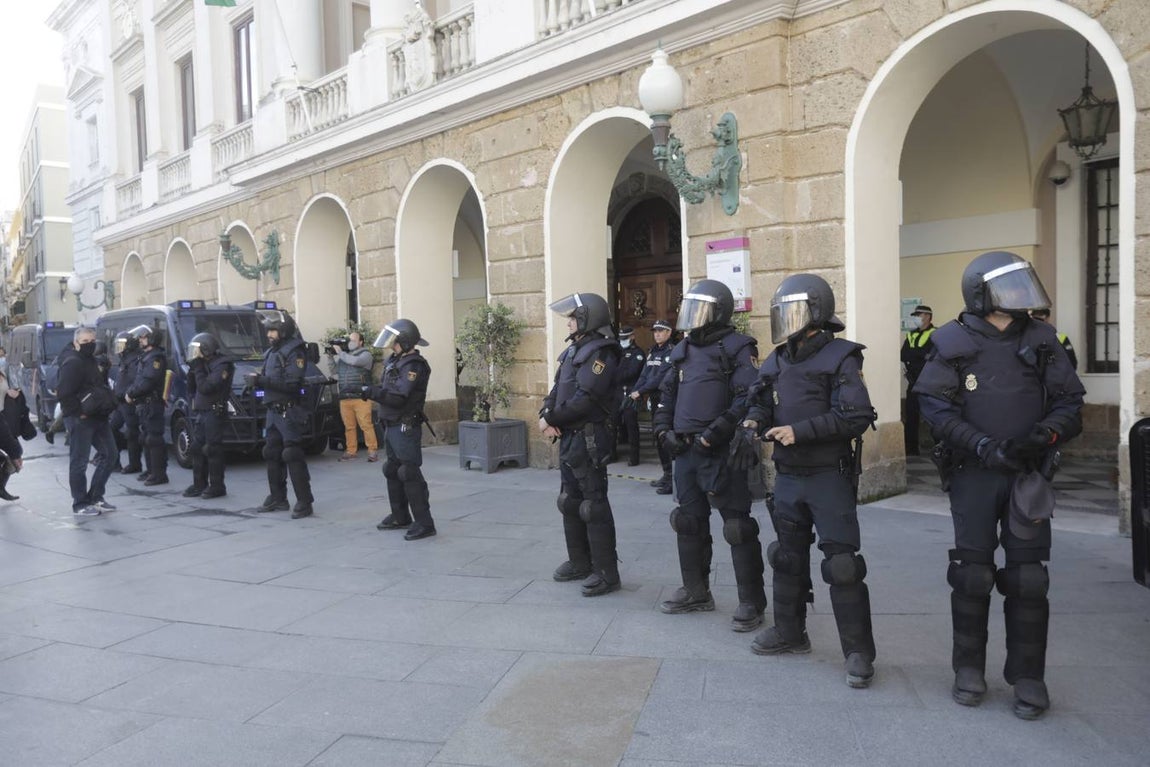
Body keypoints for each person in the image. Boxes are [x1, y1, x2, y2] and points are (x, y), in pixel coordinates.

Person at [914, 251, 1084, 720]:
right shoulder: (950, 340)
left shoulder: (1042, 338)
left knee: (1029, 578)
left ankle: (1028, 676)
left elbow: (1071, 403)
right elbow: (936, 409)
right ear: (980, 293)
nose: (1019, 295)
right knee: (972, 573)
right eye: (1008, 287)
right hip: (975, 473)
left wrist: (1042, 435)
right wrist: (984, 445)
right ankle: (967, 668)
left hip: (1027, 475)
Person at [742, 273, 879, 688]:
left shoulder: (841, 357)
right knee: (786, 556)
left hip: (826, 476)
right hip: (788, 477)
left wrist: (799, 431)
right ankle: (790, 632)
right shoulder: (778, 358)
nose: (786, 319)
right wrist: (755, 419)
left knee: (841, 565)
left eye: (794, 311)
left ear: (817, 313)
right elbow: (759, 398)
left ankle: (858, 652)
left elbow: (857, 415)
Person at [653, 279, 766, 631]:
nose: (691, 317)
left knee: (736, 527)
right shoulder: (683, 348)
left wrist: (714, 434)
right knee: (687, 521)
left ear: (717, 312)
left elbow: (747, 396)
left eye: (699, 309)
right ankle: (696, 591)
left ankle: (751, 601)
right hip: (685, 450)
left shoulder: (737, 347)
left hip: (721, 451)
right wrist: (662, 431)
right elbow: (666, 393)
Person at [540, 292, 623, 597]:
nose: (568, 324)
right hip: (568, 436)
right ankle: (579, 562)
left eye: (573, 318)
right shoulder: (574, 350)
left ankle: (606, 572)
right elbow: (557, 389)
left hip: (588, 437)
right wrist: (545, 412)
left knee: (593, 505)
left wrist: (551, 417)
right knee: (569, 501)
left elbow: (586, 398)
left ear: (589, 318)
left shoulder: (602, 353)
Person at [366, 320, 436, 540]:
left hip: (405, 425)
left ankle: (425, 523)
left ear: (404, 341)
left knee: (409, 472)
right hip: (390, 423)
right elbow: (388, 388)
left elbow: (398, 397)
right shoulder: (395, 361)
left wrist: (371, 393)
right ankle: (400, 516)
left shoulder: (414, 365)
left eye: (395, 340)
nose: (391, 344)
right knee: (392, 469)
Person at [250, 310, 314, 519]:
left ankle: (304, 502)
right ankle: (278, 498)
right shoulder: (272, 352)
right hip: (273, 411)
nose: (269, 334)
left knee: (292, 454)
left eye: (273, 330)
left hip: (289, 410)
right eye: (268, 330)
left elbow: (292, 384)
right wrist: (254, 382)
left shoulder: (295, 352)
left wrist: (261, 382)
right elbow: (269, 377)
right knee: (271, 452)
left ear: (284, 331)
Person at [55, 327, 119, 516]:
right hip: (81, 420)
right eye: (84, 342)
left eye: (92, 340)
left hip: (98, 417)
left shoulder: (90, 360)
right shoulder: (73, 362)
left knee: (110, 455)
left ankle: (96, 496)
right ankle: (80, 503)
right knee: (79, 462)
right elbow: (64, 393)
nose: (89, 344)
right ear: (76, 343)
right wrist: (78, 412)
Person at [183, 333, 235, 499]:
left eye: (197, 350)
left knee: (212, 449)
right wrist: (192, 370)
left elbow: (206, 387)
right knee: (197, 448)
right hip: (202, 412)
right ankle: (199, 484)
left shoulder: (222, 365)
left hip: (215, 411)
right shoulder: (202, 365)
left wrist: (197, 368)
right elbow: (193, 388)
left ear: (206, 349)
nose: (195, 354)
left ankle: (217, 486)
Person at [631, 319, 676, 494]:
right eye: (655, 331)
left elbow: (660, 378)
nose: (657, 334)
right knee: (658, 437)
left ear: (669, 333)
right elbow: (645, 374)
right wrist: (635, 390)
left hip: (667, 400)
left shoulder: (672, 352)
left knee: (667, 437)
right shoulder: (652, 352)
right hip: (654, 400)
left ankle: (673, 477)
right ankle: (666, 474)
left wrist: (641, 391)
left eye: (661, 331)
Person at [124, 324, 169, 486]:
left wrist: (131, 393)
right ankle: (151, 470)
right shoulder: (146, 356)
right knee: (145, 438)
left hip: (152, 404)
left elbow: (147, 381)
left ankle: (159, 474)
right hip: (144, 404)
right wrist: (132, 391)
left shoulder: (155, 358)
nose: (140, 340)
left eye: (143, 337)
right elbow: (138, 380)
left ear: (151, 339)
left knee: (154, 439)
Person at [329, 331, 379, 462]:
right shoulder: (344, 356)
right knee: (349, 427)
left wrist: (340, 353)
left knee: (366, 425)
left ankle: (372, 451)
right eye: (349, 340)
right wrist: (330, 356)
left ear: (361, 342)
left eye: (353, 340)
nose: (350, 342)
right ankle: (351, 451)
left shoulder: (366, 355)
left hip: (361, 396)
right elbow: (334, 371)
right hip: (345, 397)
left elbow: (355, 362)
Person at [901, 304, 935, 456]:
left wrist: (916, 355)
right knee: (911, 416)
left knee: (934, 417)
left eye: (918, 315)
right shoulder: (911, 334)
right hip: (913, 382)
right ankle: (911, 449)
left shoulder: (936, 334)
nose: (915, 318)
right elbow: (904, 355)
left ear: (927, 316)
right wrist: (920, 355)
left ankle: (938, 448)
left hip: (930, 384)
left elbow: (933, 355)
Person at [111, 331, 143, 474]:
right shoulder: (124, 359)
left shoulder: (135, 360)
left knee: (132, 433)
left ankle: (134, 464)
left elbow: (136, 381)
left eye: (121, 345)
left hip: (129, 402)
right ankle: (114, 462)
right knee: (111, 429)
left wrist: (129, 394)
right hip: (119, 403)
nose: (119, 348)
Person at [613, 326, 646, 466]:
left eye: (625, 338)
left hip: (631, 392)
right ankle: (611, 453)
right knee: (612, 422)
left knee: (631, 424)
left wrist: (613, 375)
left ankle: (634, 456)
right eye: (621, 338)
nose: (623, 341)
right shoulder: (616, 352)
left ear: (632, 337)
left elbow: (632, 372)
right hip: (616, 392)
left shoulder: (637, 353)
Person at [0, 369, 32, 501]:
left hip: (3, 417)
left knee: (11, 456)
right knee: (10, 457)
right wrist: (15, 454)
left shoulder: (3, 371)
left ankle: (1, 488)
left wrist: (13, 394)